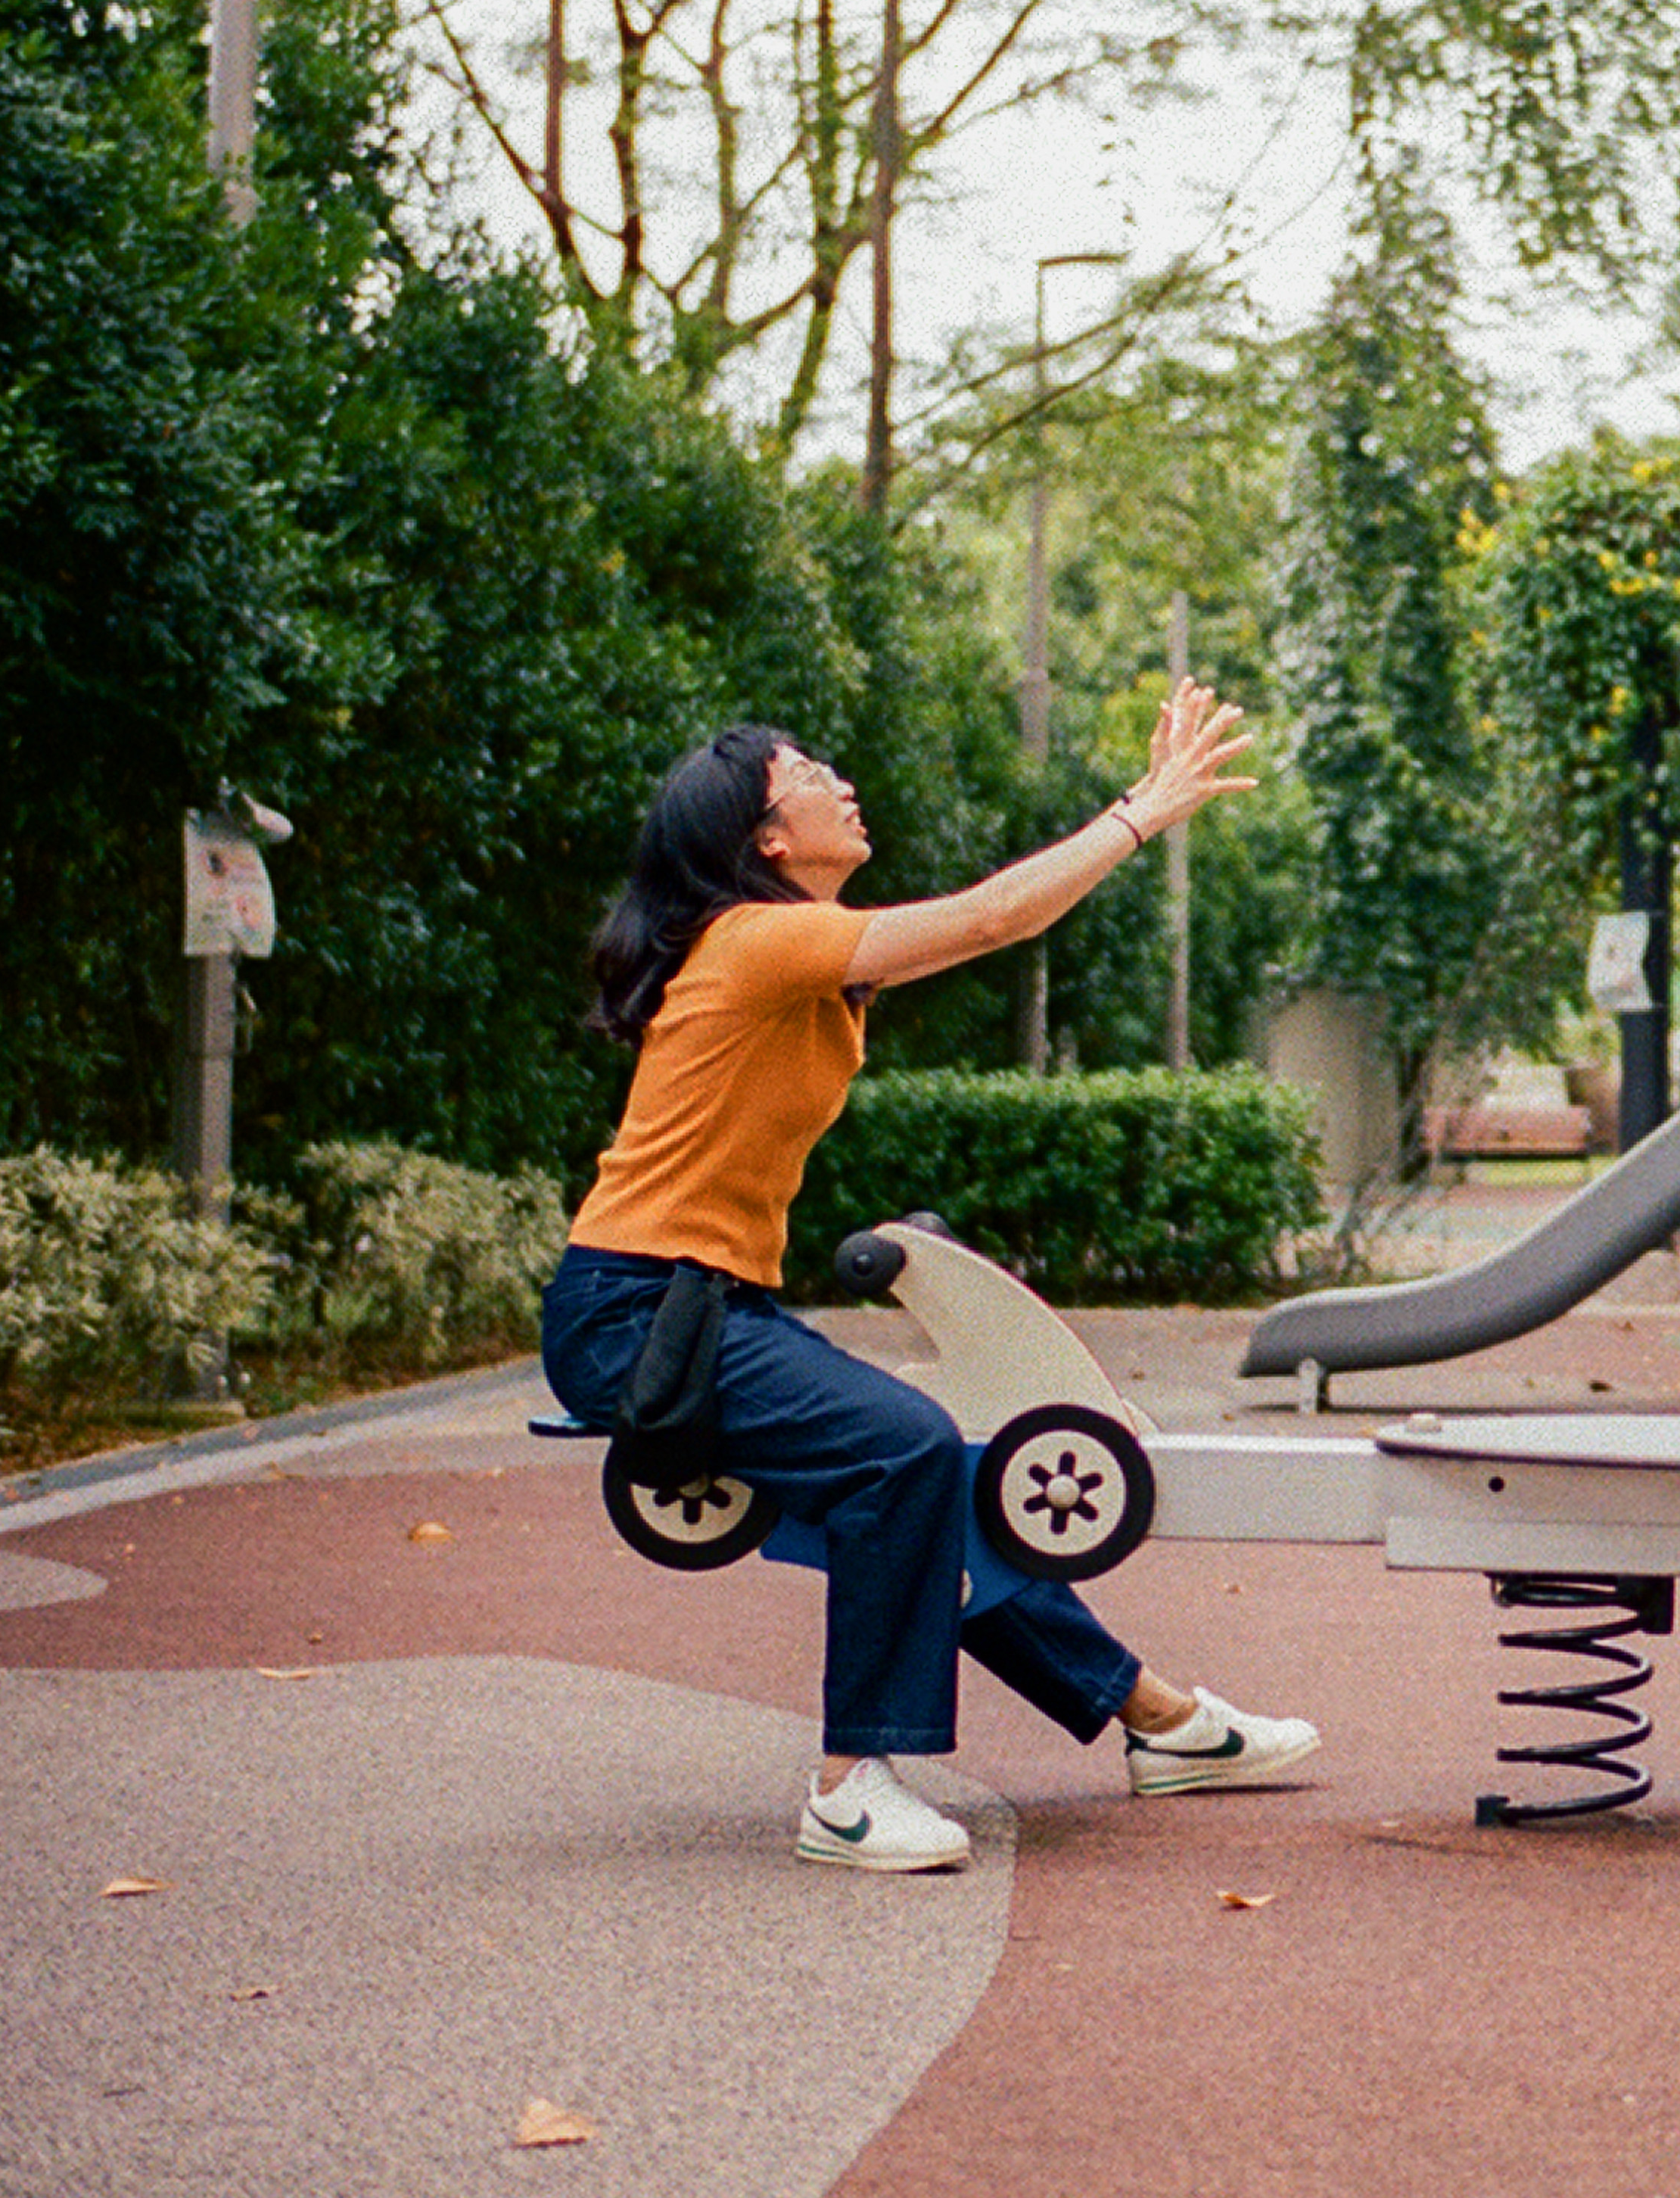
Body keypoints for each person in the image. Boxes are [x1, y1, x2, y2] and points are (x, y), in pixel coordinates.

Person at [542, 690, 1318, 1874]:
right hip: (639, 1314)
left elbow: (979, 923)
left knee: (941, 1482)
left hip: (701, 1305)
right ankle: (852, 1788)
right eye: (805, 773)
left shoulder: (790, 953)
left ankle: (1160, 1722)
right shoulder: (757, 940)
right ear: (763, 839)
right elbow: (994, 917)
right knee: (900, 1449)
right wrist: (1141, 812)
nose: (838, 781)